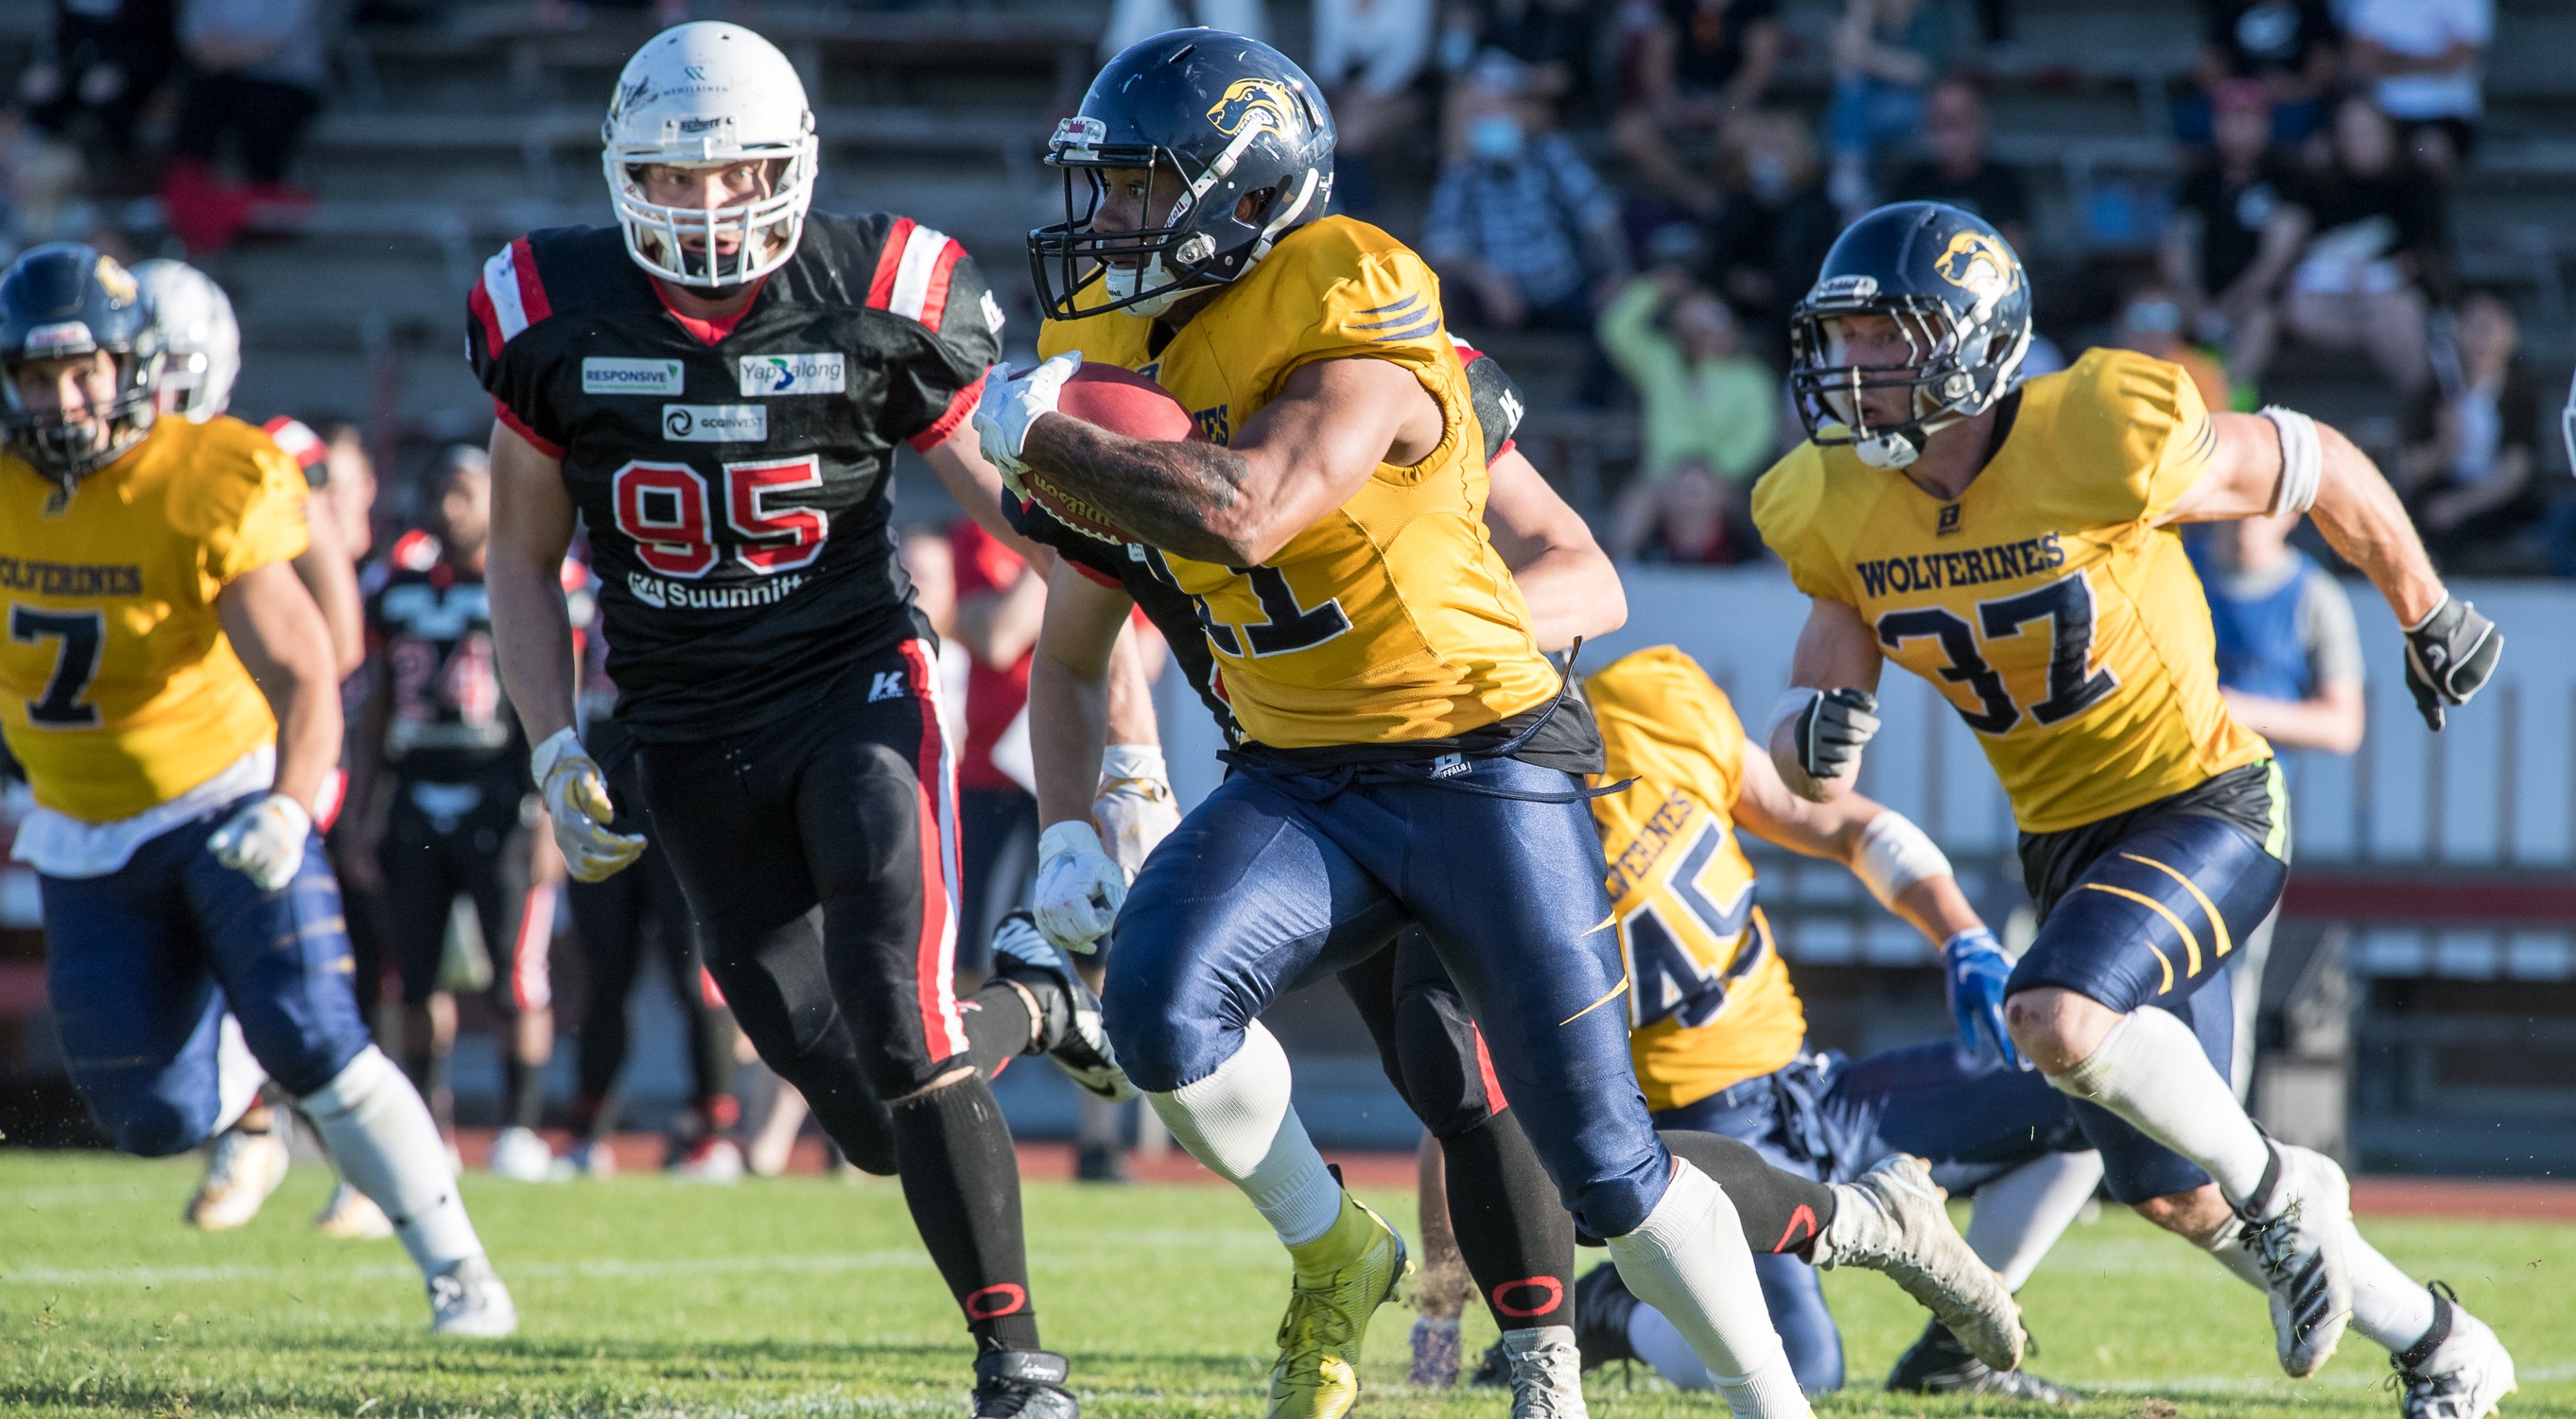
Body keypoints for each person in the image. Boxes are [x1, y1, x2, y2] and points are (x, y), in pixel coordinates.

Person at [987, 31, 2022, 1419]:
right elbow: (1077, 639)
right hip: (1297, 770)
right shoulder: (1111, 360)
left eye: (1140, 188)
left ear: (1249, 194)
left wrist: (1055, 441)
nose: (1109, 220)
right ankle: (1343, 1259)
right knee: (1162, 1008)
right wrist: (1081, 819)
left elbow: (1254, 510)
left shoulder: (1355, 291)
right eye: (1105, 186)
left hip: (1478, 762)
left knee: (1592, 1155)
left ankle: (1749, 1366)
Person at [1752, 199, 2515, 1419]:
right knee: (2174, 1190)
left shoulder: (2098, 429)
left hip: (2204, 802)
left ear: (1972, 338)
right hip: (2064, 845)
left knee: (2053, 1018)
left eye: (1885, 337)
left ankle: (2285, 1189)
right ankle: (2446, 1345)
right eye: (1842, 341)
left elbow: (2314, 456)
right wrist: (1810, 735)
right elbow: (1812, 737)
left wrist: (2423, 605)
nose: (1856, 367)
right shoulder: (1830, 500)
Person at [471, 23, 1118, 1415]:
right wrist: (552, 739)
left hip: (852, 691)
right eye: (674, 176)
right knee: (870, 1113)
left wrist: (1129, 705)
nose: (707, 205)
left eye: (736, 174)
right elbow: (519, 556)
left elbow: (1031, 525)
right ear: (624, 174)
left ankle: (1017, 1367)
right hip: (683, 726)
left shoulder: (872, 291)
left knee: (902, 1018)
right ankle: (1040, 1006)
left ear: (792, 169)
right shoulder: (551, 310)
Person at [0, 240, 514, 1335]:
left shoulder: (206, 474)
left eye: (83, 370)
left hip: (219, 794)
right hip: (82, 824)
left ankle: (461, 1271)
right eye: (37, 376)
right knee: (150, 1114)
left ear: (132, 366)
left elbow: (309, 666)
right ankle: (241, 1093)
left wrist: (289, 800)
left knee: (317, 1036)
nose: (63, 399)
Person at [1421, 644, 2091, 1400]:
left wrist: (1962, 937)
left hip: (1810, 1088)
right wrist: (1438, 1320)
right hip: (1701, 1134)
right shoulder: (1484, 843)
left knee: (2086, 1071)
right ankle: (1614, 1304)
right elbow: (1468, 1111)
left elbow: (1842, 824)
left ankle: (1955, 1356)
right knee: (1802, 1365)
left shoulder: (1652, 701)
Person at [131, 256, 388, 1239]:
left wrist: (261, 694)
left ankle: (337, 1153)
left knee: (283, 958)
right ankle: (254, 1122)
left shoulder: (264, 454)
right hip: (167, 752)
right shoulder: (94, 476)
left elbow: (339, 635)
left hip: (266, 748)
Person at [344, 447, 569, 1181]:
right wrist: (362, 813)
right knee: (414, 978)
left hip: (501, 798)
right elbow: (375, 710)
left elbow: (550, 701)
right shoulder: (393, 587)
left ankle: (520, 1127)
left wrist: (549, 812)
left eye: (465, 492)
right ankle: (427, 1129)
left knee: (514, 977)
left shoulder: (523, 582)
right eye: (440, 491)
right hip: (415, 792)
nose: (450, 507)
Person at [2186, 510, 2364, 1094]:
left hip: (2247, 819)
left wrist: (2236, 711)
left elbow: (2343, 725)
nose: (2246, 514)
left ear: (2291, 510)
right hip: (2152, 801)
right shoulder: (2174, 568)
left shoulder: (2313, 596)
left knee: (2228, 983)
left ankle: (2215, 1128)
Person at [1421, 56, 1626, 332]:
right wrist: (1486, 280)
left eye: (1501, 107)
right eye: (1483, 110)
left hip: (1564, 287)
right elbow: (1440, 240)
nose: (1492, 117)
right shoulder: (1463, 166)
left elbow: (1597, 212)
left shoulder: (1549, 151)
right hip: (1499, 302)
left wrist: (1616, 274)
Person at [1596, 270, 1776, 562]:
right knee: (1635, 504)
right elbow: (1615, 328)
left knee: (1768, 515)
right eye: (1696, 324)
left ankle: (1773, 577)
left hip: (1726, 478)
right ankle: (1619, 573)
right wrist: (1656, 288)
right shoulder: (1661, 361)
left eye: (1714, 321)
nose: (1706, 331)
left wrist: (1713, 472)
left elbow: (1756, 436)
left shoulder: (1752, 377)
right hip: (1663, 476)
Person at [2282, 96, 2445, 400]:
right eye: (2350, 133)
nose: (2358, 142)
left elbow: (2419, 255)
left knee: (2396, 312)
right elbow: (2309, 254)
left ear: (2388, 135)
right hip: (2335, 299)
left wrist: (2374, 276)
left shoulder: (2413, 184)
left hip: (2391, 294)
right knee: (2297, 307)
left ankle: (2425, 404)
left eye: (2367, 132)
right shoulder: (2324, 186)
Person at [2162, 79, 2309, 395]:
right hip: (2200, 294)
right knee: (2152, 310)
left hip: (2256, 296)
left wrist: (2228, 306)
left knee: (2262, 316)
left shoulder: (2287, 179)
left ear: (2265, 124)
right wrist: (2194, 299)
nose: (2239, 128)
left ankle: (2229, 401)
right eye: (2230, 118)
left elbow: (2276, 258)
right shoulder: (2199, 180)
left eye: (2248, 118)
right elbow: (2178, 246)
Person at [950, 517, 1047, 960]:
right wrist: (1057, 549)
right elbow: (997, 640)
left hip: (1084, 772)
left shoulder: (1112, 530)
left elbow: (1139, 657)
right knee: (977, 945)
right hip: (993, 776)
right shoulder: (981, 533)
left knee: (1097, 944)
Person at [165, 0, 329, 254]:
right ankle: (192, 192)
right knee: (203, 96)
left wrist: (228, 53)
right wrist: (227, 53)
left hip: (284, 78)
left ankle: (264, 189)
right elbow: (194, 38)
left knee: (263, 105)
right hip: (220, 75)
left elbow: (273, 42)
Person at [2400, 289, 2544, 571]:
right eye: (2474, 325)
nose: (2483, 336)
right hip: (2441, 493)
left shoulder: (2522, 394)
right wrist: (2443, 446)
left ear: (2511, 335)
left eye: (2492, 326)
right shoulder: (2436, 391)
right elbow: (2408, 470)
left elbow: (2516, 471)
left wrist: (2457, 506)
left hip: (2495, 504)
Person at [1612, 0, 1784, 218]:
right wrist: (1674, 105)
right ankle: (1703, 201)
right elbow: (1655, 66)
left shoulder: (1756, 7)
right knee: (1630, 131)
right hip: (1680, 104)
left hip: (1733, 107)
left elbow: (1758, 70)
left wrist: (1723, 106)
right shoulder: (1674, 7)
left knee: (1739, 134)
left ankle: (1718, 207)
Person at [1700, 111, 1841, 349]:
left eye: (1779, 146)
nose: (1769, 155)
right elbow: (1716, 260)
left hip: (1799, 315)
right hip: (1740, 315)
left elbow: (1822, 264)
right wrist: (1735, 279)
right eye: (1762, 146)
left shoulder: (1817, 205)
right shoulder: (1736, 202)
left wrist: (1774, 287)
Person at [2344, 0, 2491, 180]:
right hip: (2385, 112)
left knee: (2429, 150)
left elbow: (2462, 61)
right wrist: (2433, 58)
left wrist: (2394, 59)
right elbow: (2361, 61)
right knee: (2362, 142)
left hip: (2446, 114)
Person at [1823, 0, 1943, 215]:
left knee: (1853, 107)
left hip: (1916, 109)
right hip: (1868, 109)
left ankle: (1851, 171)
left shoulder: (1927, 17)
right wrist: (1861, 12)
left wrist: (1862, 55)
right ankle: (1855, 183)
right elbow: (1844, 70)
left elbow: (1918, 72)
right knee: (1851, 88)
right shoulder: (1866, 21)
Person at [1887, 78, 2029, 256]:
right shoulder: (1910, 182)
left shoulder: (2003, 183)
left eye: (1956, 121)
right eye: (1938, 121)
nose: (1948, 133)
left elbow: (2015, 251)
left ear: (1979, 122)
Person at [2192, 0, 2339, 146]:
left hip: (2292, 104)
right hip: (2235, 104)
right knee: (2194, 121)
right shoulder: (2231, 7)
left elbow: (2324, 69)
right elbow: (2211, 65)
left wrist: (2291, 90)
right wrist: (2243, 93)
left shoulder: (2310, 8)